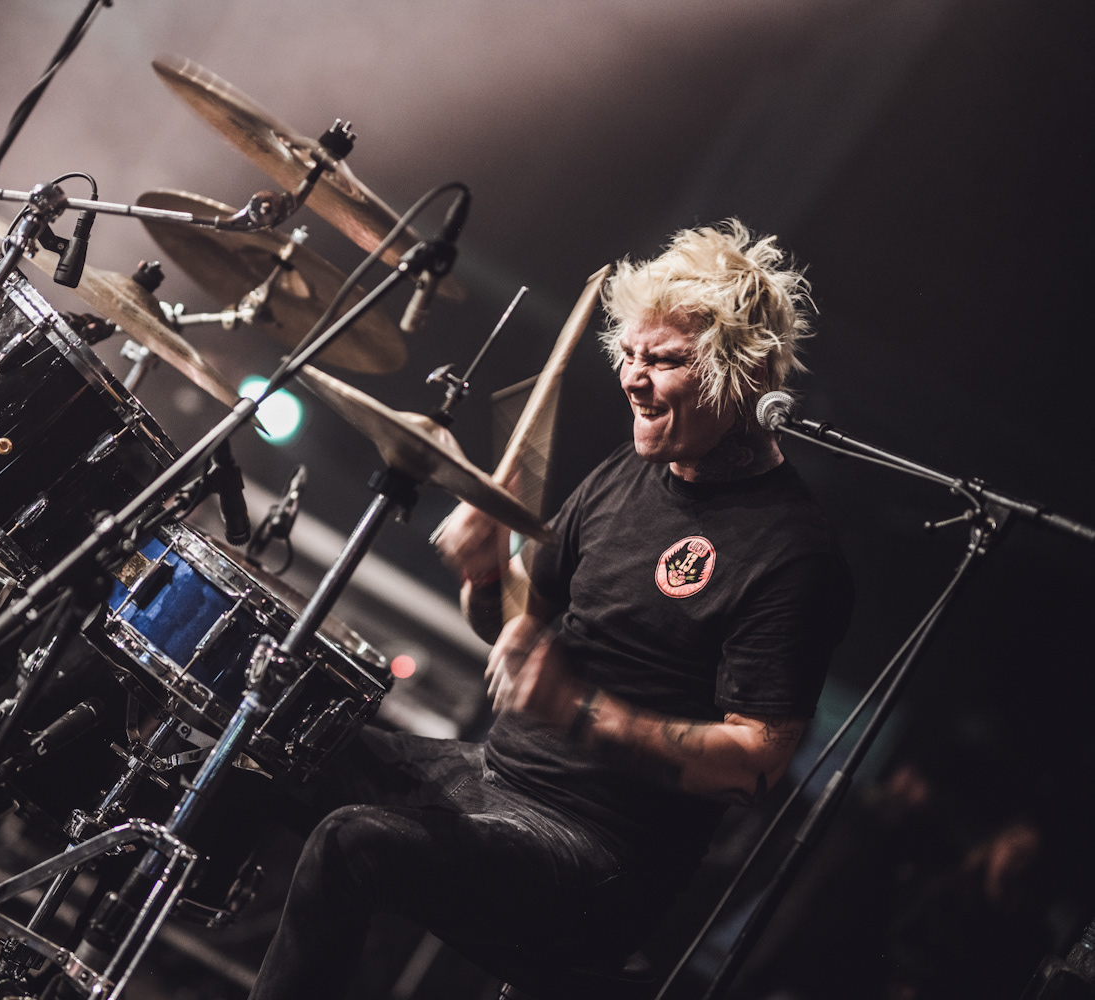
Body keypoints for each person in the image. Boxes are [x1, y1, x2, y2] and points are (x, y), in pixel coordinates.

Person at [248, 220, 854, 999]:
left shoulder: (792, 552)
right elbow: (512, 625)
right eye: (629, 354)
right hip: (493, 774)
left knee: (351, 842)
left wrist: (581, 712)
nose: (633, 379)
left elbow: (756, 769)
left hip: (596, 858)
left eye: (665, 361)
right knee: (271, 739)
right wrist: (485, 574)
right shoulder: (632, 472)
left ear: (745, 375)